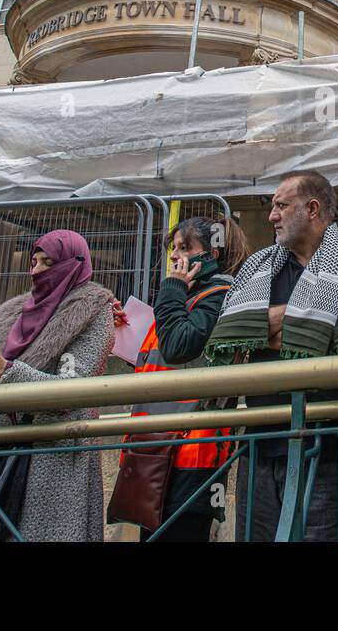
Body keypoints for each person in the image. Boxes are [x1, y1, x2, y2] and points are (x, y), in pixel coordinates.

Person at [204, 170, 338, 542]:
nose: (272, 215)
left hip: (335, 448)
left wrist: (269, 325)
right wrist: (311, 319)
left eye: (281, 205)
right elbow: (230, 336)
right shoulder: (257, 267)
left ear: (312, 209)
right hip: (261, 443)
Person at [0, 230, 116, 542]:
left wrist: (5, 370)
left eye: (48, 262)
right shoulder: (15, 311)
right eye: (34, 261)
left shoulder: (94, 308)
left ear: (74, 264)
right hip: (4, 445)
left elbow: (72, 390)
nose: (36, 270)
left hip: (57, 455)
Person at [128, 215, 249, 541]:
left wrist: (171, 290)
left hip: (191, 456)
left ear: (211, 255)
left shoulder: (218, 296)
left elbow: (179, 346)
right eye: (173, 248)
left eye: (184, 248)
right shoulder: (186, 297)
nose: (174, 256)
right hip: (155, 447)